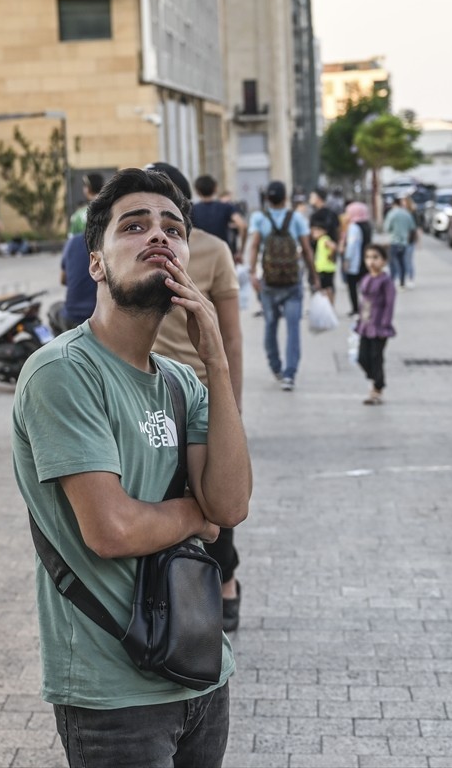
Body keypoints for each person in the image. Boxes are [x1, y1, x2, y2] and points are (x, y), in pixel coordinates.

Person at [12, 168, 251, 767]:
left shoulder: (180, 382)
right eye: (134, 225)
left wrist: (215, 361)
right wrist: (197, 519)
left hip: (202, 671)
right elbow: (111, 529)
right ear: (95, 262)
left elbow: (232, 505)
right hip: (113, 695)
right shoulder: (63, 372)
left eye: (173, 228)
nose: (158, 236)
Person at [146, 162, 246, 634]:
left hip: (202, 390)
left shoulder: (212, 251)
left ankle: (225, 579)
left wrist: (233, 405)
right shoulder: (141, 251)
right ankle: (177, 587)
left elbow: (231, 335)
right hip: (151, 389)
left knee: (215, 496)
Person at [245, 179, 318, 391]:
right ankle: (289, 374)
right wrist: (314, 276)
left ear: (267, 198)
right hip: (292, 282)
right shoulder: (296, 218)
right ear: (286, 198)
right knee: (293, 327)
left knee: (270, 324)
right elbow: (306, 249)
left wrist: (252, 273)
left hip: (269, 282)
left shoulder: (259, 218)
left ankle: (275, 367)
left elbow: (255, 246)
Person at [53, 173, 104, 332]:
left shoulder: (77, 218)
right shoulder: (111, 211)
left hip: (77, 309)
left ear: (87, 189)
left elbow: (66, 274)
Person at [355, 245, 397, 405]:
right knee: (362, 357)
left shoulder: (386, 281)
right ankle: (376, 381)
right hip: (365, 324)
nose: (371, 261)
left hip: (379, 326)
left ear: (384, 261)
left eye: (375, 258)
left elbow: (389, 303)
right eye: (368, 257)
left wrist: (385, 323)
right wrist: (359, 321)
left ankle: (377, 389)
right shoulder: (366, 279)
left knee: (376, 357)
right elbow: (363, 303)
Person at [192, 175, 246, 257]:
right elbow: (242, 225)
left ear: (197, 191)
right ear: (215, 189)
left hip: (200, 254)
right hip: (223, 253)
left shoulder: (192, 210)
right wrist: (240, 251)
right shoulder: (226, 207)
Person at [337, 201, 371, 316]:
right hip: (366, 261)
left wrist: (347, 259)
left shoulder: (354, 227)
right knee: (366, 288)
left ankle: (356, 309)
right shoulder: (367, 226)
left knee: (352, 287)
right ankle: (366, 310)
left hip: (355, 262)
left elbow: (351, 245)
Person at [382, 196, 415, 288]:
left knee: (392, 263)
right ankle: (402, 282)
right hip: (404, 242)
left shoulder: (391, 214)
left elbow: (387, 228)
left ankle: (392, 281)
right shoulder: (407, 214)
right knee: (402, 263)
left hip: (394, 241)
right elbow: (412, 228)